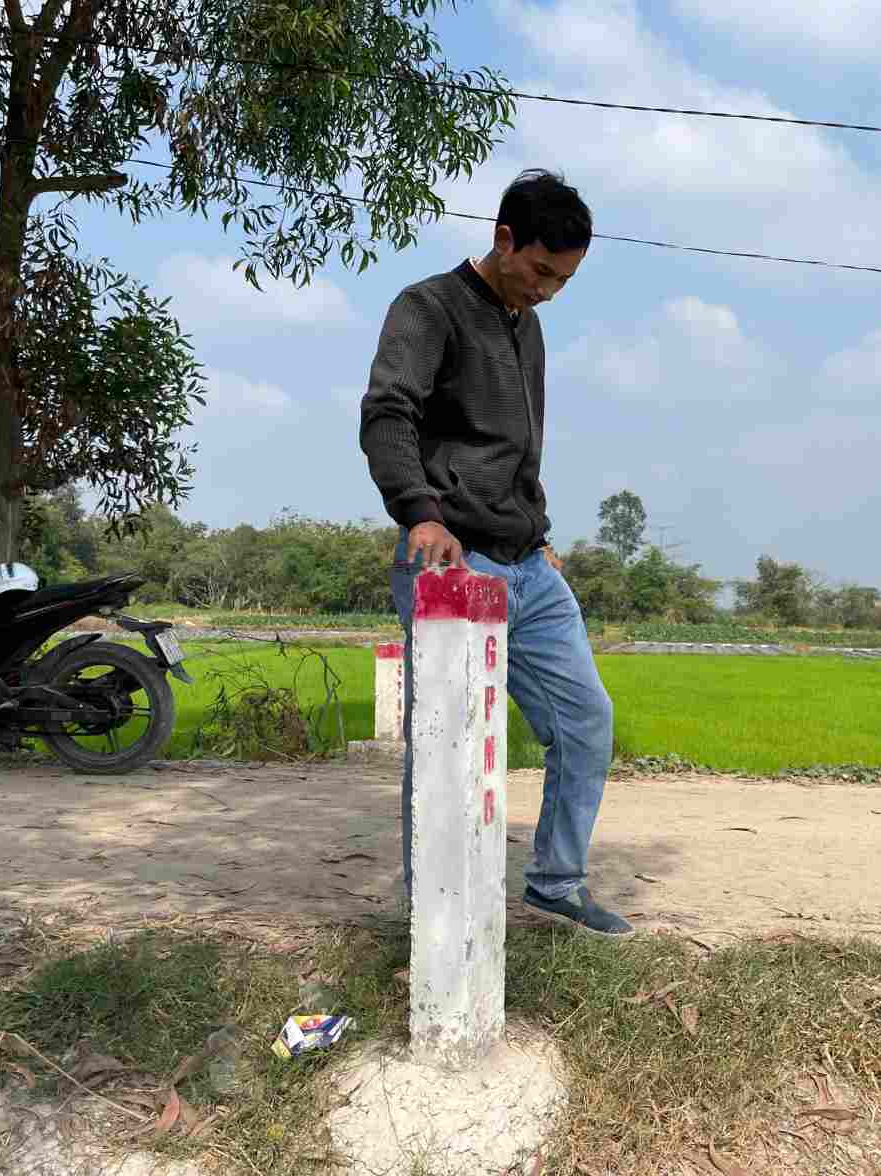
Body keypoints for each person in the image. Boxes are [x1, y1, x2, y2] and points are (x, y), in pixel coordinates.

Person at [360, 168, 632, 938]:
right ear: (503, 239)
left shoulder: (527, 324)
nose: (548, 290)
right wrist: (420, 513)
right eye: (541, 271)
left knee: (586, 720)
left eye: (564, 280)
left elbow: (518, 449)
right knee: (447, 738)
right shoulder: (429, 308)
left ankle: (556, 882)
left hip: (527, 566)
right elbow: (388, 414)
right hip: (454, 561)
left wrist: (536, 534)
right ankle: (434, 916)